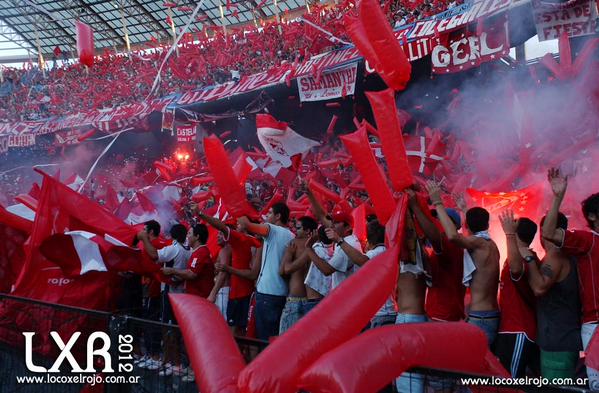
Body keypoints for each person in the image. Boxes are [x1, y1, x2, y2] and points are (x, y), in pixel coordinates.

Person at [541, 167, 599, 389]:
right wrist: (558, 198)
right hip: (595, 325)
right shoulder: (588, 240)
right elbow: (548, 233)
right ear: (592, 217)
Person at [426, 181, 500, 346]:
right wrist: (464, 209)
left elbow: (454, 237)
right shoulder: (489, 243)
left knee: (475, 367)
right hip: (484, 313)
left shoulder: (479, 243)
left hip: (481, 317)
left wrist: (437, 202)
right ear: (487, 224)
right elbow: (470, 233)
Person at [528, 212, 581, 379]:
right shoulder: (567, 255)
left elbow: (539, 288)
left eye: (544, 232)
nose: (542, 237)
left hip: (558, 342)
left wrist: (529, 259)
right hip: (564, 339)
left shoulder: (555, 256)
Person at [136, 223, 192, 377]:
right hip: (180, 293)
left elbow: (154, 255)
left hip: (169, 292)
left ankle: (173, 363)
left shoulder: (174, 248)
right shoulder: (189, 250)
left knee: (168, 327)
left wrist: (144, 239)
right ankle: (171, 361)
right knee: (173, 327)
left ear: (173, 235)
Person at [198, 209, 261, 336]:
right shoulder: (250, 242)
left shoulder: (242, 240)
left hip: (240, 294)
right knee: (241, 333)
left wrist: (201, 214)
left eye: (239, 220)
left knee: (231, 333)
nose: (237, 221)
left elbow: (252, 274)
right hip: (239, 294)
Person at [236, 202, 294, 341]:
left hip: (268, 294)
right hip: (280, 293)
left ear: (278, 216)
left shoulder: (273, 230)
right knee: (273, 337)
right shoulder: (291, 235)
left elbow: (247, 225)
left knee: (264, 339)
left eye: (269, 213)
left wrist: (240, 212)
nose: (266, 217)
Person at [407, 189, 465, 322]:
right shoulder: (452, 244)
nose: (437, 221)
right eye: (436, 218)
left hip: (443, 316)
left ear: (455, 225)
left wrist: (416, 207)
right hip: (440, 313)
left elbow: (434, 237)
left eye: (441, 218)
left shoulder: (452, 244)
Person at [495, 210, 539, 378]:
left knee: (511, 383)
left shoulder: (526, 257)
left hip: (519, 330)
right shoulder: (521, 255)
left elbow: (516, 270)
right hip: (511, 329)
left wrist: (508, 234)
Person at [278, 216, 318, 334]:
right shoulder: (318, 244)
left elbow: (282, 270)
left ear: (307, 231)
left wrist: (289, 254)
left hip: (295, 299)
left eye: (298, 228)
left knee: (285, 343)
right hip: (313, 300)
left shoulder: (294, 243)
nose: (295, 230)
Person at [302, 226, 333, 315]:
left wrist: (308, 245)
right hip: (326, 299)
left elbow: (289, 268)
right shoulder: (334, 251)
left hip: (314, 300)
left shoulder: (314, 249)